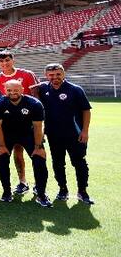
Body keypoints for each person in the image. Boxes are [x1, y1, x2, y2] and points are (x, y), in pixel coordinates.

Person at [0, 50, 39, 196]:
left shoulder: (27, 74)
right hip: (7, 123)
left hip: (27, 122)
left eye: (7, 60)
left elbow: (37, 97)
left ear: (13, 60)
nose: (4, 63)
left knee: (34, 154)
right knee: (12, 153)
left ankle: (34, 184)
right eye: (1, 61)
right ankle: (22, 182)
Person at [37, 63, 94, 204]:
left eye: (58, 74)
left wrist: (85, 131)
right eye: (51, 75)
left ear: (63, 74)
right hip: (53, 134)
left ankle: (82, 192)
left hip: (75, 134)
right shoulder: (43, 89)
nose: (55, 77)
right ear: (46, 76)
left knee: (79, 162)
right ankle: (63, 190)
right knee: (58, 163)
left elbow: (86, 110)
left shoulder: (75, 89)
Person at [0, 80, 51, 207]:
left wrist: (38, 146)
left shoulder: (34, 104)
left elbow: (38, 126)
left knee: (39, 159)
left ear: (22, 90)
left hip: (28, 134)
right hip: (6, 135)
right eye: (9, 90)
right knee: (2, 159)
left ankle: (41, 194)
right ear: (5, 90)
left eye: (16, 90)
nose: (12, 93)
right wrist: (1, 145)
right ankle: (7, 192)